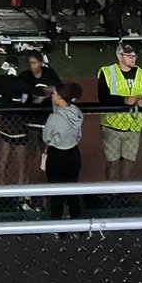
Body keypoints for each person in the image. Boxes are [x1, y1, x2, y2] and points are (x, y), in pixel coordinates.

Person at [97, 41, 142, 181]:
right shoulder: (107, 72)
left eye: (134, 56)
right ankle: (112, 190)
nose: (133, 59)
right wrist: (123, 101)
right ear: (119, 56)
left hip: (134, 126)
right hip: (112, 126)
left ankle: (125, 189)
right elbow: (103, 98)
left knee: (128, 161)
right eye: (129, 56)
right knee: (112, 162)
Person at [43, 82, 85, 219]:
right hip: (73, 154)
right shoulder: (77, 113)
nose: (52, 96)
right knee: (73, 190)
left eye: (54, 94)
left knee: (56, 193)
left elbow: (46, 138)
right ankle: (77, 222)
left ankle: (57, 224)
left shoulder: (54, 118)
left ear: (60, 97)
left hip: (56, 156)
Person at [0, 58, 30, 188]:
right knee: (22, 159)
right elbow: (25, 100)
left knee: (5, 155)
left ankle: (1, 184)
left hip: (5, 121)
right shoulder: (20, 82)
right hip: (18, 123)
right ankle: (21, 186)